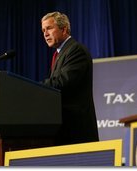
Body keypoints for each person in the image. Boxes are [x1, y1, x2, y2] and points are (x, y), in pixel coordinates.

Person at [41, 11, 99, 145]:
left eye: (49, 28)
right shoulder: (59, 54)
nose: (45, 34)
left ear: (64, 29)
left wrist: (34, 87)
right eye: (43, 30)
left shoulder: (75, 50)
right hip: (64, 130)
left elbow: (62, 82)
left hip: (77, 132)